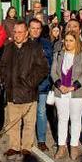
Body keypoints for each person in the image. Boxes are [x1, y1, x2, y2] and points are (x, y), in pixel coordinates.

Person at [0, 21, 49, 158]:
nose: (17, 35)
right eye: (15, 32)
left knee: (28, 123)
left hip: (29, 92)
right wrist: (5, 81)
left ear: (26, 33)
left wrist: (31, 82)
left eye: (20, 32)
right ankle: (14, 146)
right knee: (13, 123)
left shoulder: (34, 48)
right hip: (12, 92)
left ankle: (26, 147)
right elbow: (2, 66)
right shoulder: (8, 48)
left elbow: (43, 68)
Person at [50, 33, 82, 159]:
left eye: (71, 40)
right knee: (62, 119)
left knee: (75, 119)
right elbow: (53, 72)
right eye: (66, 40)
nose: (68, 43)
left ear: (76, 42)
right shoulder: (58, 55)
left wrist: (73, 86)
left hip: (77, 93)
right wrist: (59, 85)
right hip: (60, 92)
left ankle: (74, 146)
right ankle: (61, 146)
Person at [29, 18, 55, 151]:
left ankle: (41, 140)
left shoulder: (46, 43)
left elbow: (50, 63)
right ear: (29, 29)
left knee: (41, 112)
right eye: (33, 28)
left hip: (43, 84)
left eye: (38, 28)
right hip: (27, 85)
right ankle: (25, 140)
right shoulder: (24, 43)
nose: (35, 31)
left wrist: (48, 80)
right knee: (26, 114)